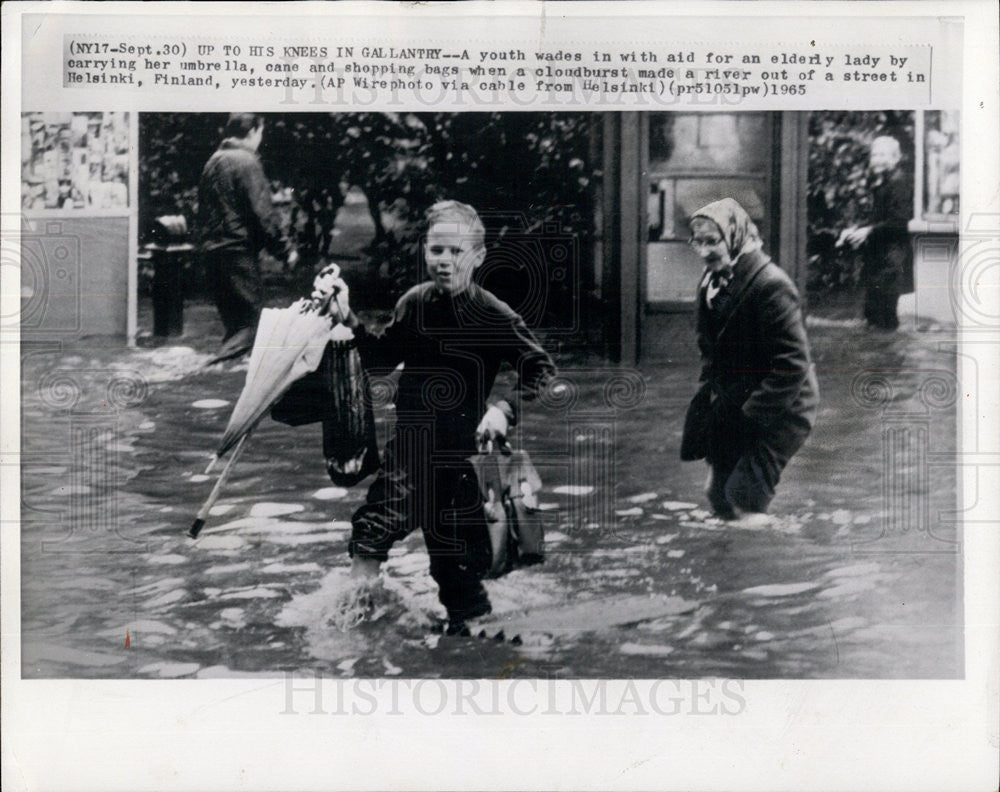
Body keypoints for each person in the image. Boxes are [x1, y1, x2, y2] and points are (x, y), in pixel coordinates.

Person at [313, 200, 557, 635]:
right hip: (410, 449)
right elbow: (382, 357)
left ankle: (474, 643)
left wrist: (503, 409)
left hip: (463, 462)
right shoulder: (414, 303)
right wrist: (345, 317)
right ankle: (343, 632)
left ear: (478, 256)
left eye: (456, 252)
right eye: (436, 251)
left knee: (456, 577)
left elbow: (540, 370)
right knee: (372, 533)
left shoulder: (494, 314)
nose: (444, 261)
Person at [680, 198, 819, 520]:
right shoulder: (710, 280)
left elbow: (793, 365)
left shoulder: (771, 284)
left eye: (712, 241)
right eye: (696, 242)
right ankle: (724, 564)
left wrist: (749, 419)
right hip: (735, 398)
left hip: (783, 406)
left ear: (735, 235)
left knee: (746, 496)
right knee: (716, 492)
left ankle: (769, 563)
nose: (702, 251)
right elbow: (711, 349)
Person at [197, 113, 297, 361]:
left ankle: (222, 375)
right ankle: (205, 371)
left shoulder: (213, 161)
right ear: (253, 131)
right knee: (251, 328)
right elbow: (262, 214)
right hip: (237, 253)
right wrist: (285, 251)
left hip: (214, 253)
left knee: (236, 328)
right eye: (260, 133)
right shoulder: (246, 162)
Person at [837, 135, 914, 331]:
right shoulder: (883, 183)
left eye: (883, 155)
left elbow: (899, 221)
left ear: (896, 158)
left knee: (884, 318)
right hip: (880, 255)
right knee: (873, 314)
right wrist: (854, 230)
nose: (877, 159)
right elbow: (878, 218)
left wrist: (868, 231)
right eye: (874, 154)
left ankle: (888, 354)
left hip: (892, 257)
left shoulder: (899, 182)